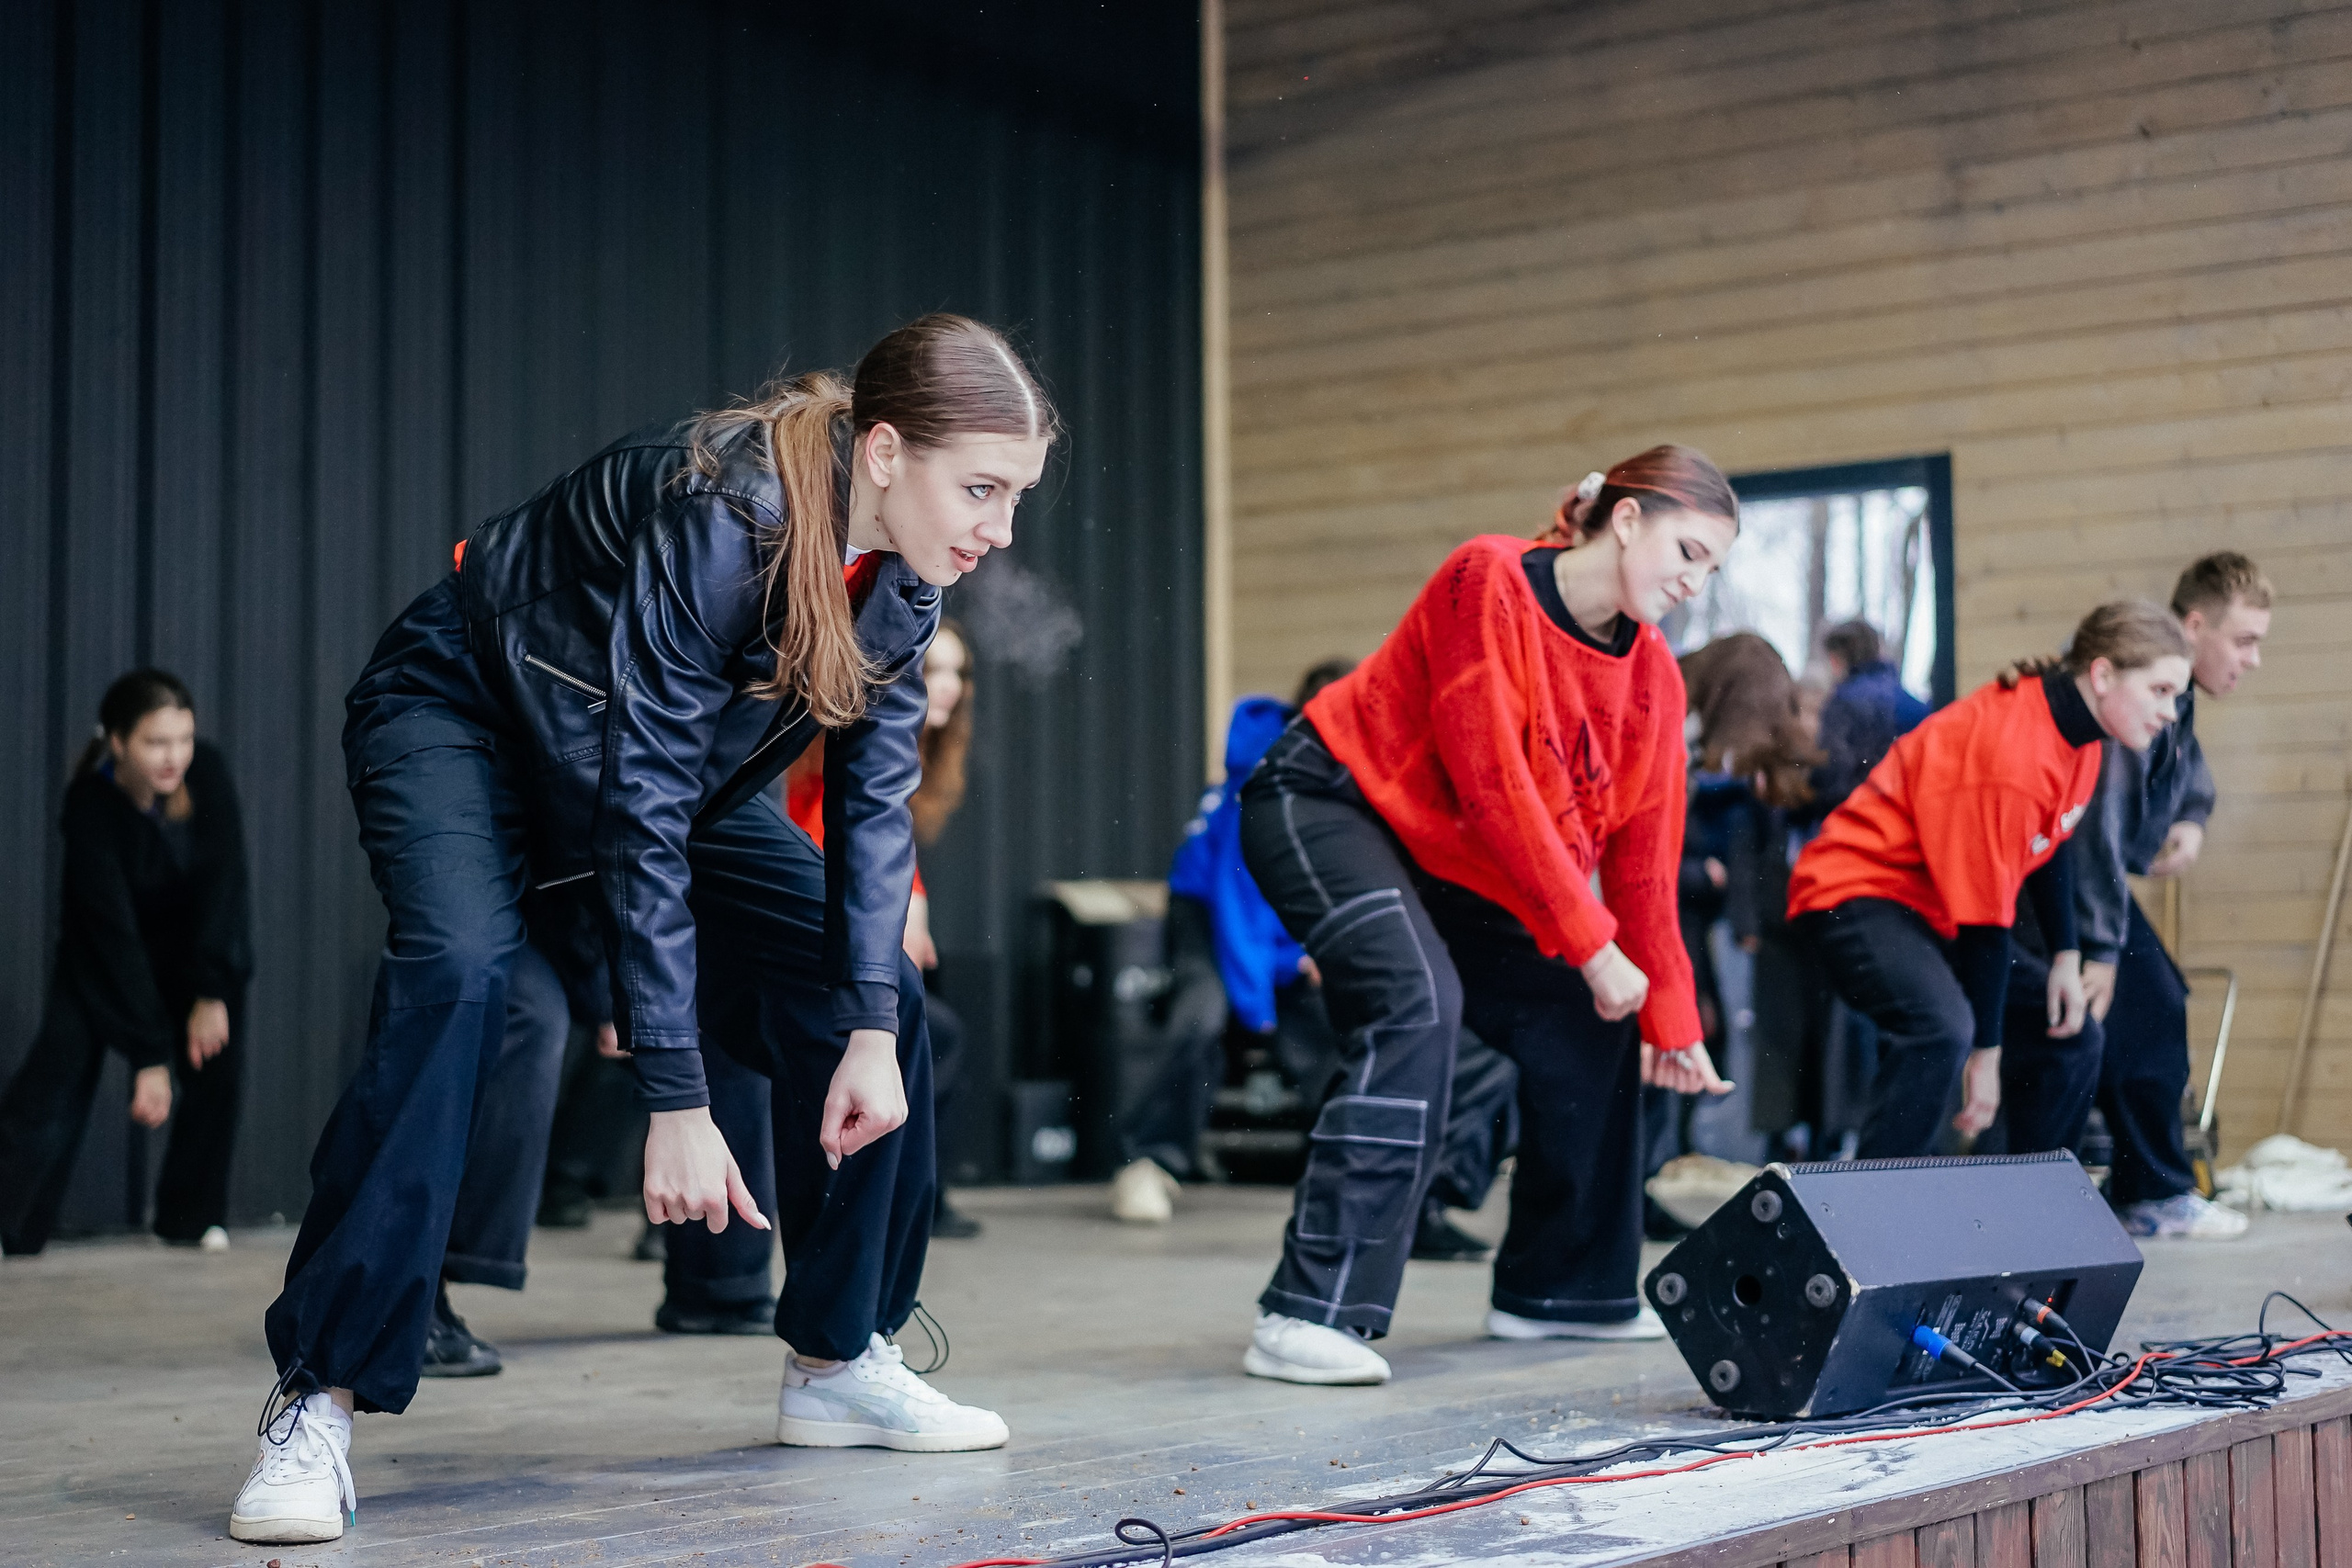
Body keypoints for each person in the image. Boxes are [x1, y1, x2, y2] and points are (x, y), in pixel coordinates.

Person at [227, 315, 1056, 1546]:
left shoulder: (906, 585)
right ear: (885, 451)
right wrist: (679, 1096)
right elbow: (645, 801)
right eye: (981, 487)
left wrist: (873, 1024)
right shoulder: (727, 509)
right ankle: (315, 1402)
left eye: (1017, 496)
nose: (997, 527)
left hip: (647, 778)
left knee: (867, 999)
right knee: (460, 979)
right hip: (473, 716)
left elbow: (874, 813)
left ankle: (840, 1360)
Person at [1236, 447, 1738, 1387]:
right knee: (1415, 1001)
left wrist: (1671, 1018)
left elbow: (1644, 872)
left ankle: (1560, 1291)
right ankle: (1306, 1313)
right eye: (1687, 548)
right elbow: (1492, 782)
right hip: (1329, 801)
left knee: (1595, 1021)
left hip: (1453, 860)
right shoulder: (1489, 577)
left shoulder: (1656, 682)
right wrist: (1592, 949)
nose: (1694, 580)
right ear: (1624, 520)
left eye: (1712, 566)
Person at [1787, 602, 2194, 1161]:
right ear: (2102, 676)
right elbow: (1985, 926)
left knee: (2070, 1036)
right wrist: (1987, 1052)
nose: (2171, 712)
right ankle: (1867, 1224)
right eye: (2161, 691)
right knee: (1942, 1031)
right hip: (1853, 891)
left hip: (1932, 905)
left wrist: (2066, 959)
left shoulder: (2081, 735)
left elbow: (2052, 843)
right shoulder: (2012, 753)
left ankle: (2027, 1225)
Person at [0, 671, 251, 1256]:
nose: (174, 758)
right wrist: (149, 1053)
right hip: (104, 961)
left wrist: (211, 991)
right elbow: (110, 934)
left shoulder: (206, 775)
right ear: (118, 742)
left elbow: (226, 887)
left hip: (191, 958)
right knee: (53, 1082)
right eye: (156, 743)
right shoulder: (90, 805)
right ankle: (12, 1220)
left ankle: (190, 1217)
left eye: (183, 739)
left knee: (219, 1063)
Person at [2077, 553, 2269, 1239]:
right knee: (2150, 1000)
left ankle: (2143, 1185)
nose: (2252, 660)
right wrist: (2099, 943)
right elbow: (2094, 828)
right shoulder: (2151, 692)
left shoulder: (2176, 700)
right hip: (2069, 877)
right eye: (2244, 640)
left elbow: (2190, 773)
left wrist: (2189, 818)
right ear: (2194, 625)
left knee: (2148, 1002)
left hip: (2092, 879)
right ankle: (2149, 1188)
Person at [1812, 620, 1930, 813]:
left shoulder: (1842, 703)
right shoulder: (1913, 704)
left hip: (1860, 818)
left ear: (1835, 659)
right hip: (1910, 815)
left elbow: (1832, 776)